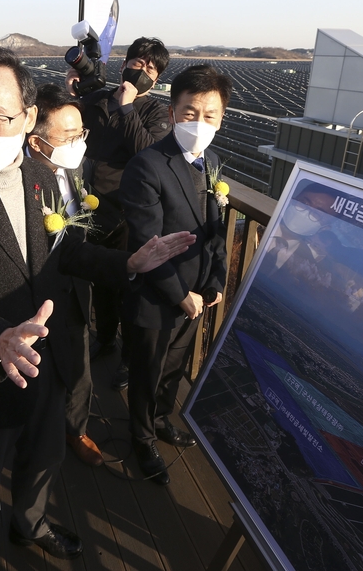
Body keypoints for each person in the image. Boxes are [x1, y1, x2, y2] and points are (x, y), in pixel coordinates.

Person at [0, 47, 194, 570]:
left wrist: (130, 260)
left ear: (29, 116)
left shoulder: (44, 178)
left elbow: (68, 254)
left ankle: (30, 523)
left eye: (0, 116)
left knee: (45, 456)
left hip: (51, 356)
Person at [120, 65, 231, 486]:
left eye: (210, 115)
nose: (199, 123)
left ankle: (162, 419)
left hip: (198, 294)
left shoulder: (212, 161)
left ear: (222, 118)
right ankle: (141, 435)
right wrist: (179, 293)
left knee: (174, 366)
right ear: (171, 113)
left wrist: (215, 280)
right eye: (190, 112)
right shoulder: (147, 166)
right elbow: (146, 243)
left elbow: (216, 232)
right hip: (158, 294)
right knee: (149, 370)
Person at [78, 37, 172, 390]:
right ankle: (104, 338)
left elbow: (147, 153)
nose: (142, 71)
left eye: (150, 68)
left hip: (132, 212)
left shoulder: (155, 112)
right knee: (102, 279)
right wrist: (74, 94)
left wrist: (128, 107)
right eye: (137, 64)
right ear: (124, 65)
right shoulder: (99, 100)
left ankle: (129, 360)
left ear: (158, 77)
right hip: (94, 205)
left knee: (132, 288)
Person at [24, 84, 103, 467]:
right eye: (68, 136)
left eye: (81, 133)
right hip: (38, 294)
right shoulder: (21, 179)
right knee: (41, 372)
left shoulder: (73, 168)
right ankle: (39, 434)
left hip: (77, 286)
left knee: (80, 362)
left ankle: (77, 429)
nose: (78, 143)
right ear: (36, 142)